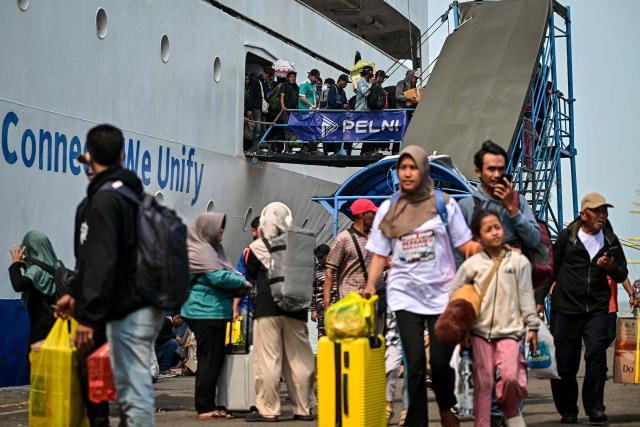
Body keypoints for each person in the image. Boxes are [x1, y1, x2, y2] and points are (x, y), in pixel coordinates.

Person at [363, 145, 479, 427]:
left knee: (438, 364)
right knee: (414, 365)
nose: (406, 173)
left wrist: (491, 255)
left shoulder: (444, 205)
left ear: (423, 170)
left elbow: (464, 244)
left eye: (412, 167)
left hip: (441, 296)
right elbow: (379, 252)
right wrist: (369, 285)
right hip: (404, 297)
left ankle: (445, 406)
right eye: (402, 168)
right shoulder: (389, 209)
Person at [56, 124, 162, 426]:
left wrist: (88, 315)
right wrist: (75, 292)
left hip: (117, 308)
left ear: (89, 158)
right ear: (123, 156)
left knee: (114, 391)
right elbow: (90, 259)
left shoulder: (103, 201)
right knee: (121, 390)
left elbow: (100, 261)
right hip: (135, 305)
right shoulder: (130, 197)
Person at [535, 192, 628, 425]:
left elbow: (622, 274)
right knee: (565, 362)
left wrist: (611, 266)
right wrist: (538, 300)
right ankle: (568, 409)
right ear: (584, 214)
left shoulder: (610, 239)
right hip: (565, 308)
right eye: (597, 211)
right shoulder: (568, 237)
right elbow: (551, 270)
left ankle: (595, 407)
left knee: (596, 353)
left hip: (596, 308)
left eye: (605, 212)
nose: (602, 216)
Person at [451, 209, 539, 427]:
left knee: (510, 377)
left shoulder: (519, 263)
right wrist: (460, 330)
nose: (495, 233)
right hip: (479, 334)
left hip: (510, 332)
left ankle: (508, 408)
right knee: (484, 384)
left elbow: (527, 296)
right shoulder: (471, 266)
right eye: (488, 230)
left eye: (497, 227)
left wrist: (533, 326)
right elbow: (455, 296)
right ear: (478, 237)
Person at [245, 202, 315, 422]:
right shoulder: (300, 246)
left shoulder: (256, 247)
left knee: (268, 360)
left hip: (268, 307)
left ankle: (269, 409)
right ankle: (303, 408)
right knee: (300, 360)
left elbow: (250, 270)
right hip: (297, 307)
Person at [180, 212, 251, 419]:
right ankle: (205, 408)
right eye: (219, 227)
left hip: (213, 312)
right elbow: (217, 277)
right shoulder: (200, 251)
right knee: (210, 360)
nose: (221, 231)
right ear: (207, 229)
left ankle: (211, 404)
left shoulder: (211, 250)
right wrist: (241, 282)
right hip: (204, 312)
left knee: (213, 359)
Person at [458, 141, 540, 252]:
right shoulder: (466, 205)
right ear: (478, 172)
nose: (497, 175)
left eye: (501, 169)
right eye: (491, 169)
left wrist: (513, 210)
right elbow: (458, 250)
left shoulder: (518, 201)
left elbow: (534, 240)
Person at [323, 198, 378, 311]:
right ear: (362, 215)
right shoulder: (343, 239)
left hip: (372, 300)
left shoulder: (375, 237)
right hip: (350, 303)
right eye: (372, 213)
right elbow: (329, 272)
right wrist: (327, 304)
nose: (375, 216)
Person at [8, 231, 58, 345]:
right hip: (57, 323)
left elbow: (18, 285)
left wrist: (15, 264)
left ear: (32, 249)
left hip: (41, 326)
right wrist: (25, 264)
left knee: (35, 358)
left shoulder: (36, 270)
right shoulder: (57, 265)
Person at [310, 244, 334, 337]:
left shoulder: (337, 267)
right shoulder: (316, 269)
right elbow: (313, 290)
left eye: (321, 257)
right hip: (321, 309)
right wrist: (313, 309)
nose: (319, 260)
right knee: (322, 337)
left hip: (336, 308)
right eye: (317, 258)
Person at [279, 71, 299, 151]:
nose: (292, 78)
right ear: (287, 78)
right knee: (286, 129)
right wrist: (283, 106)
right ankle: (286, 148)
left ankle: (290, 148)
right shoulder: (284, 85)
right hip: (286, 110)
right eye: (291, 77)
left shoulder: (296, 87)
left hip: (294, 111)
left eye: (294, 77)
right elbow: (282, 96)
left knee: (293, 129)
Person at [247, 72, 265, 148]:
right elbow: (251, 95)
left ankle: (258, 146)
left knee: (261, 129)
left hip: (260, 108)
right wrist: (249, 109)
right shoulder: (256, 81)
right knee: (257, 129)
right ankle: (254, 147)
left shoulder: (261, 82)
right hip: (256, 108)